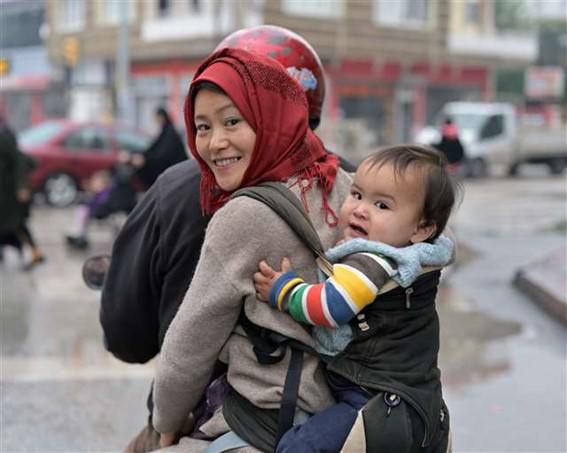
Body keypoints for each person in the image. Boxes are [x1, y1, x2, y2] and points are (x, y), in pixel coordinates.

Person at [99, 25, 355, 453]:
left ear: (271, 110)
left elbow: (159, 341)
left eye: (234, 119)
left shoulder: (219, 202)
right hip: (342, 418)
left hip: (242, 421)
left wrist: (163, 423)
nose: (215, 143)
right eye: (203, 126)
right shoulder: (353, 186)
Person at [253, 145, 457, 452]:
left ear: (422, 228)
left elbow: (329, 307)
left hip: (375, 402)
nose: (361, 209)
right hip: (419, 404)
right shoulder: (417, 260)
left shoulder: (372, 262)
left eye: (382, 206)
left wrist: (284, 290)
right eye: (358, 195)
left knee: (298, 447)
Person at [0, 114, 45, 269]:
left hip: (10, 194)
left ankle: (34, 253)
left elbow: (19, 161)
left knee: (17, 225)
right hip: (5, 193)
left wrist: (21, 187)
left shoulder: (4, 136)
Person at [134, 107, 187, 190]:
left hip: (177, 171)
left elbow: (162, 154)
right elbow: (154, 147)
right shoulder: (165, 130)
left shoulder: (170, 132)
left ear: (162, 117)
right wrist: (142, 155)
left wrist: (145, 159)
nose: (157, 121)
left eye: (157, 118)